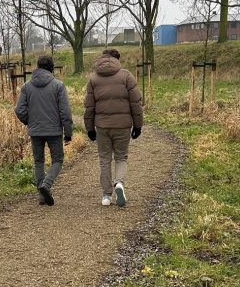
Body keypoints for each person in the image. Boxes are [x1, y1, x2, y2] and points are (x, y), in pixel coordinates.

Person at [83, 48, 143, 207]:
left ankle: (106, 196)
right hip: (123, 126)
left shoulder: (93, 79)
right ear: (118, 60)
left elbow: (89, 107)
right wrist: (138, 125)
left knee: (104, 158)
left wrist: (89, 128)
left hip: (102, 126)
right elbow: (136, 103)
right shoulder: (126, 76)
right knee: (121, 157)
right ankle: (119, 184)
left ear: (103, 59)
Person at [14, 54, 73, 206]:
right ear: (51, 67)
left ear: (38, 67)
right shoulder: (58, 85)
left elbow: (19, 109)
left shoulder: (27, 86)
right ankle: (46, 185)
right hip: (54, 131)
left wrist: (30, 122)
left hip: (35, 131)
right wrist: (68, 133)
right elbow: (65, 112)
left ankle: (41, 195)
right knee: (58, 160)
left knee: (38, 161)